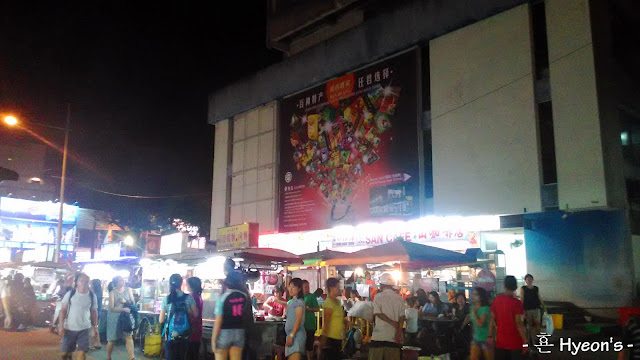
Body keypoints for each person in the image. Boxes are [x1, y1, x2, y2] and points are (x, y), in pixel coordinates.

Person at [59, 273, 99, 360]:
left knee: (82, 352)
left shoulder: (92, 296)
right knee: (64, 354)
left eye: (86, 282)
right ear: (76, 282)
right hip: (69, 328)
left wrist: (95, 327)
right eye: (81, 281)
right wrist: (61, 326)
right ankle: (68, 354)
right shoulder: (70, 294)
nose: (84, 283)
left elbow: (94, 312)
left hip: (85, 328)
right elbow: (63, 310)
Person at [160, 274, 198, 360]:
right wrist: (188, 311)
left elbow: (161, 320)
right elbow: (196, 314)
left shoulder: (166, 299)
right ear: (181, 283)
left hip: (170, 335)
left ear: (170, 284)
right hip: (185, 335)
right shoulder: (189, 298)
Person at [211, 272, 247, 360]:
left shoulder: (222, 298)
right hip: (239, 332)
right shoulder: (244, 296)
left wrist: (213, 340)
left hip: (225, 333)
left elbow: (218, 321)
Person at [490, 276, 527, 360]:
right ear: (516, 287)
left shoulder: (497, 300)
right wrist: (525, 342)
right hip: (515, 342)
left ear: (504, 285)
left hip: (500, 341)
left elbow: (492, 319)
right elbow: (519, 323)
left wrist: (490, 336)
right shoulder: (517, 303)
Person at [369, 273, 406, 360]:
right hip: (393, 338)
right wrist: (398, 331)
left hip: (379, 337)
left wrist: (392, 323)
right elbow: (402, 317)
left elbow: (378, 313)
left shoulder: (378, 297)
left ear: (381, 285)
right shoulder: (399, 298)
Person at [106, 275, 135, 360]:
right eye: (120, 280)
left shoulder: (128, 290)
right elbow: (111, 308)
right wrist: (123, 309)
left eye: (123, 280)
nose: (122, 281)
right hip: (114, 318)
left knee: (129, 336)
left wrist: (125, 301)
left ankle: (132, 357)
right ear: (115, 283)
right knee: (112, 339)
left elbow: (133, 302)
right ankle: (108, 357)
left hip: (125, 318)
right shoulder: (112, 293)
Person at [321, 278, 346, 360]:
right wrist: (323, 339)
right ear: (331, 288)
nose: (339, 289)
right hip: (331, 339)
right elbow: (326, 322)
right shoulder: (329, 303)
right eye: (337, 287)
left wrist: (347, 322)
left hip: (338, 337)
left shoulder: (338, 302)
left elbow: (338, 318)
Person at [284, 278, 306, 360]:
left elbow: (298, 319)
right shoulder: (292, 301)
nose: (291, 289)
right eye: (290, 286)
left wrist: (292, 335)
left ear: (299, 289)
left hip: (296, 335)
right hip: (291, 335)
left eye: (293, 287)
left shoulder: (299, 302)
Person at [470, 287, 492, 360]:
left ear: (481, 296)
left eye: (475, 294)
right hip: (476, 337)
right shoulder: (472, 307)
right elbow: (473, 323)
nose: (473, 296)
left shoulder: (485, 308)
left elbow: (480, 324)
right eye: (472, 294)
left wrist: (474, 313)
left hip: (486, 339)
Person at [519, 274, 543, 343]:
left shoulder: (536, 288)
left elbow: (539, 297)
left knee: (537, 323)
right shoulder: (523, 288)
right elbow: (522, 299)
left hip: (536, 308)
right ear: (525, 280)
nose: (529, 280)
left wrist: (543, 306)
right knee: (529, 324)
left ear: (532, 280)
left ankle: (538, 338)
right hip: (527, 309)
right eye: (527, 279)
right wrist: (522, 310)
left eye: (530, 279)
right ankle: (529, 339)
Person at [301, 280, 320, 360]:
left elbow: (317, 309)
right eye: (305, 287)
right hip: (301, 325)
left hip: (310, 324)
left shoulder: (312, 297)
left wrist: (308, 309)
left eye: (308, 287)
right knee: (302, 345)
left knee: (309, 345)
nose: (307, 289)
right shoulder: (299, 297)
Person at [187, 277, 203, 360]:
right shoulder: (199, 296)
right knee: (195, 353)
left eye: (187, 284)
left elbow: (193, 313)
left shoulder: (192, 297)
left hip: (192, 329)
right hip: (197, 328)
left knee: (190, 354)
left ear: (191, 285)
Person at [90, 279, 103, 349]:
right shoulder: (100, 292)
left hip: (94, 312)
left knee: (93, 328)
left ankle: (92, 344)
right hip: (99, 312)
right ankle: (98, 343)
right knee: (95, 327)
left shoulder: (93, 294)